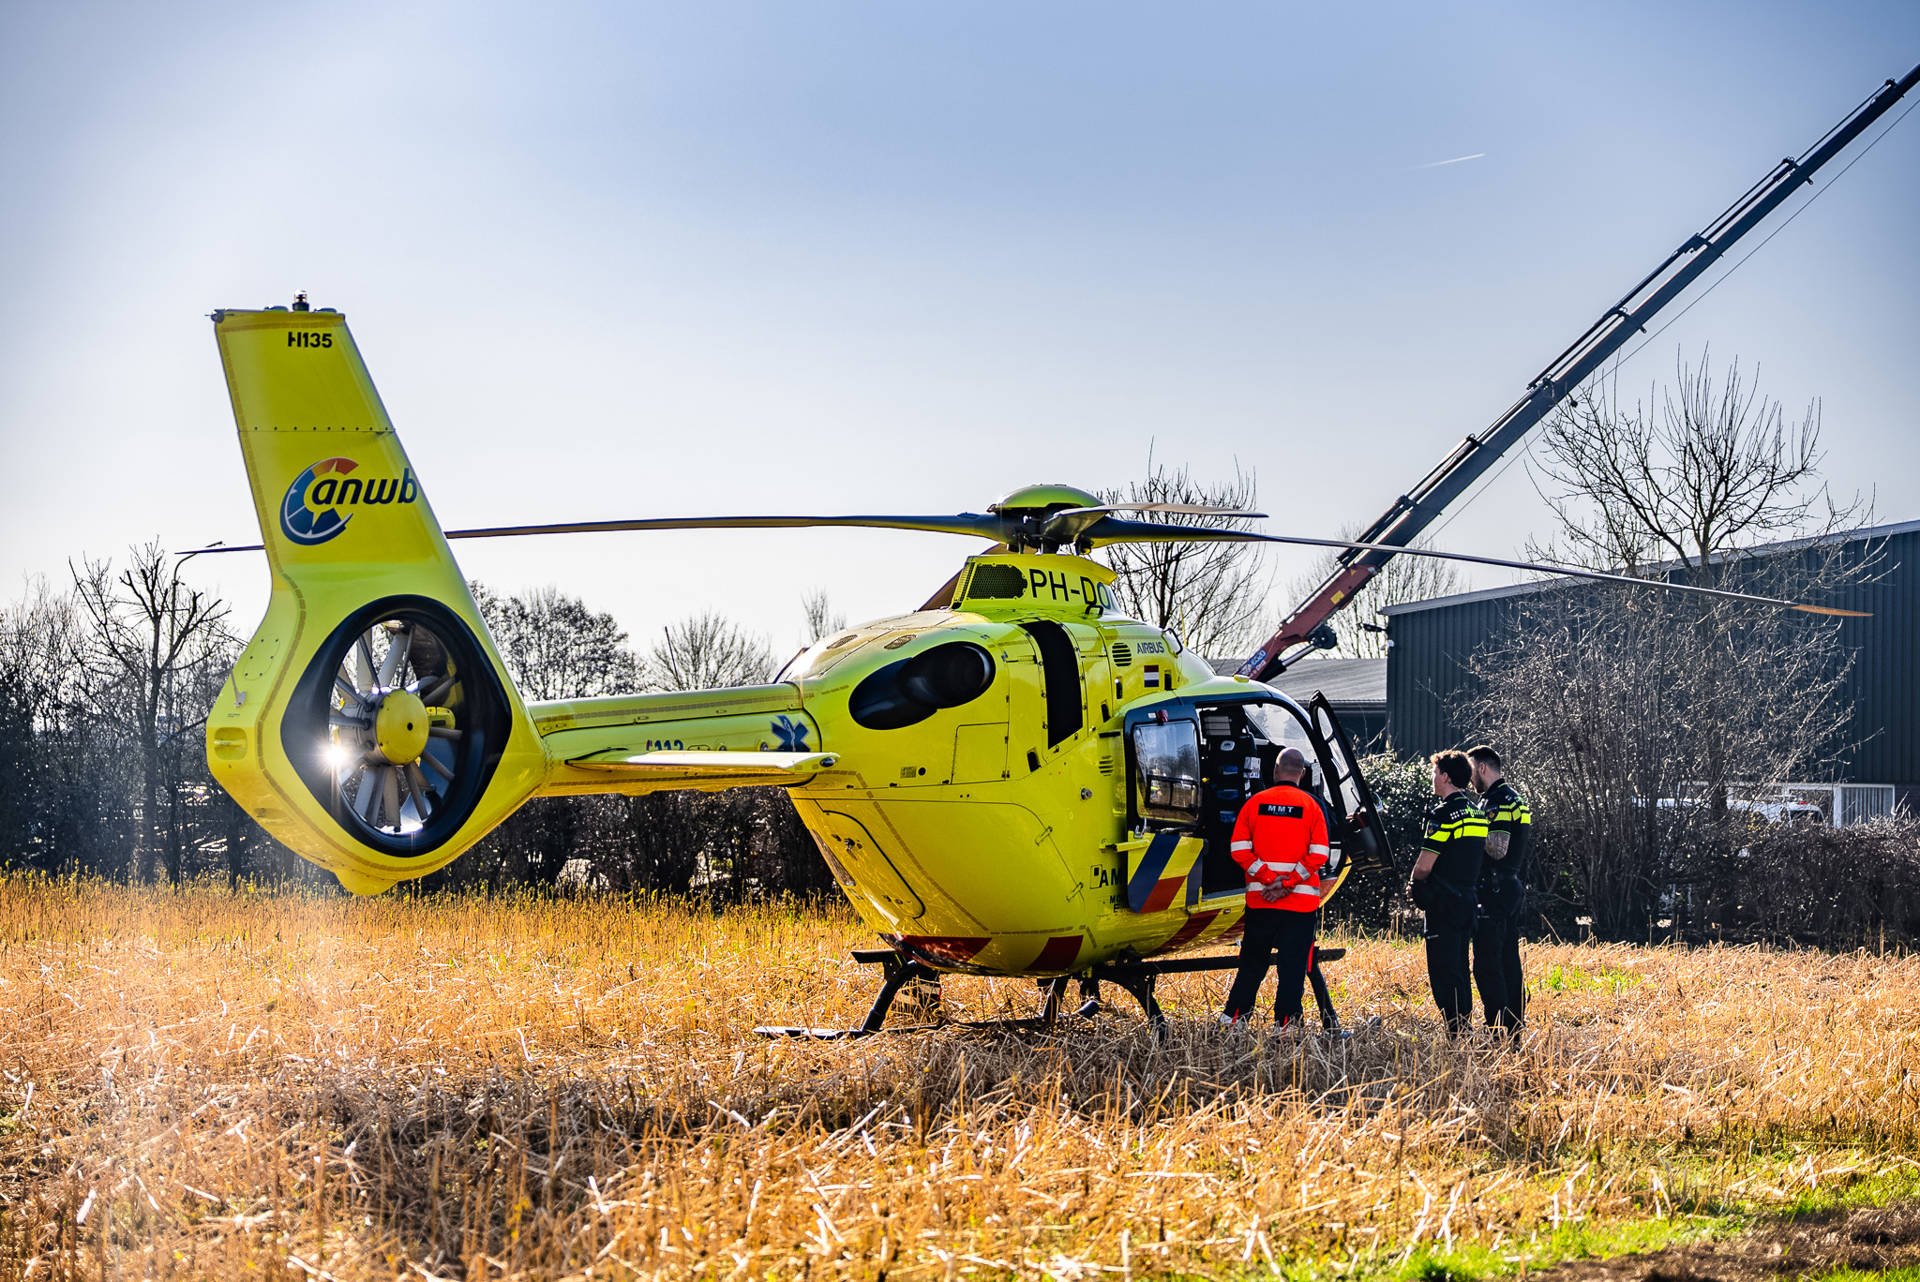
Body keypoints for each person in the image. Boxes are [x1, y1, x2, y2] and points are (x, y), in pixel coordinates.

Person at [1221, 747, 1331, 1026]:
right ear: (1302, 774)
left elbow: (1238, 849)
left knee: (1251, 965)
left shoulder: (1254, 804)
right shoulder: (1312, 806)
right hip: (1300, 905)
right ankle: (1287, 1026)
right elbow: (1319, 854)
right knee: (1293, 969)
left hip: (1262, 901)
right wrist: (1289, 882)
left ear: (1275, 771)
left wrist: (1271, 879)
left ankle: (1234, 1021)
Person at [1411, 750, 1485, 1036]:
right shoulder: (1477, 814)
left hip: (1443, 904)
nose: (1432, 778)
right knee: (1460, 970)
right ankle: (1463, 1029)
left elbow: (1425, 864)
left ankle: (1455, 1031)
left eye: (1434, 773)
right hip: (1467, 901)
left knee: (1442, 972)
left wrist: (1414, 884)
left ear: (1444, 776)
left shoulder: (1443, 815)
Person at [1468, 744, 1531, 1034]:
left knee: (1487, 964)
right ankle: (1514, 1025)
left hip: (1494, 890)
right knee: (1508, 961)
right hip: (1509, 888)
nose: (1470, 779)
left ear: (1482, 767)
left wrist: (1468, 834)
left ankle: (1496, 1026)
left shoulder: (1498, 801)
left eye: (1471, 771)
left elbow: (1497, 848)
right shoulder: (1515, 798)